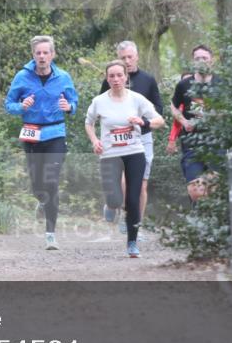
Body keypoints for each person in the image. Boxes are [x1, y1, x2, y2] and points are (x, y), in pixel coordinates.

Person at [5, 36, 79, 250]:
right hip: (32, 134)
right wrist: (21, 106)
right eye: (38, 53)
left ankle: (50, 234)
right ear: (33, 55)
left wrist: (69, 107)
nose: (42, 56)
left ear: (52, 55)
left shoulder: (63, 77)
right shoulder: (22, 77)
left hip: (56, 133)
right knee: (38, 184)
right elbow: (9, 104)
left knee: (52, 181)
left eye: (46, 52)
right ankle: (41, 200)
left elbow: (74, 101)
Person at [85, 60, 165, 258]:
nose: (115, 79)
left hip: (134, 152)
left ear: (125, 77)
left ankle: (132, 242)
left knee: (133, 198)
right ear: (107, 78)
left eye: (119, 75)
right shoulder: (99, 101)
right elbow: (89, 123)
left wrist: (143, 121)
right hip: (110, 154)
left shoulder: (137, 99)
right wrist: (95, 140)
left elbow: (160, 121)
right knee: (114, 197)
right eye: (111, 76)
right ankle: (111, 205)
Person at [98, 40, 163, 233]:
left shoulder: (148, 79)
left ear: (137, 57)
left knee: (142, 184)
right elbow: (101, 107)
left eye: (130, 57)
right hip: (118, 138)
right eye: (123, 57)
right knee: (123, 182)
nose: (127, 60)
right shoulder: (110, 80)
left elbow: (158, 109)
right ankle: (116, 206)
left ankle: (135, 224)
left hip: (142, 137)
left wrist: (142, 120)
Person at [169, 45, 222, 204]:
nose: (201, 61)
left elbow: (231, 109)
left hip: (216, 142)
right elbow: (173, 106)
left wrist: (217, 117)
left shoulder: (221, 83)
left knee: (214, 187)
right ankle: (199, 217)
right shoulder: (184, 85)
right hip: (192, 142)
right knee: (196, 190)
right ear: (193, 61)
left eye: (204, 58)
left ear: (211, 60)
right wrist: (184, 121)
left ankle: (211, 221)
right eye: (197, 58)